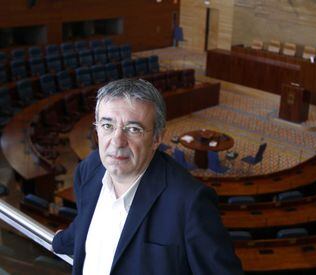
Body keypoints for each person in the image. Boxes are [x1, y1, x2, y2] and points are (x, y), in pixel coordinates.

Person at [52, 79, 243, 275]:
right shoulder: (88, 170)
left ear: (156, 139)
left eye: (134, 129)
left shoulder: (190, 203)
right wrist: (59, 241)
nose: (117, 141)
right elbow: (86, 220)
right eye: (107, 125)